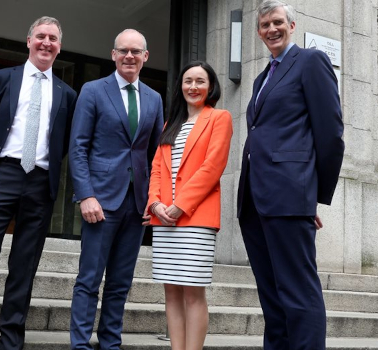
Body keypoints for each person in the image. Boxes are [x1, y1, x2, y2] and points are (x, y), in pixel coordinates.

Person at [0, 16, 77, 350]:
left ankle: (11, 342)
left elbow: (63, 141)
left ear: (59, 47)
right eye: (41, 36)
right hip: (2, 175)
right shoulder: (0, 78)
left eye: (53, 38)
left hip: (40, 182)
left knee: (24, 266)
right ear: (28, 40)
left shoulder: (67, 94)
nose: (46, 43)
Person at [236, 1, 345, 349]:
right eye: (265, 25)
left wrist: (310, 196)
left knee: (299, 294)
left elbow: (330, 134)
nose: (271, 29)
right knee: (272, 295)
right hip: (255, 200)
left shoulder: (311, 61)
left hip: (288, 195)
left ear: (292, 25)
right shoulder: (260, 78)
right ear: (258, 32)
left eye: (278, 22)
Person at [68, 29, 164, 350]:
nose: (129, 56)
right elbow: (78, 147)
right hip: (100, 202)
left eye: (136, 51)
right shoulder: (93, 91)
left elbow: (155, 156)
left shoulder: (154, 98)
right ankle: (80, 345)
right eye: (123, 51)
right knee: (89, 280)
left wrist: (153, 200)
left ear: (145, 57)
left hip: (136, 206)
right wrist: (86, 195)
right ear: (113, 55)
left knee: (120, 283)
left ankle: (110, 344)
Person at [145, 61, 232, 350]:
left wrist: (180, 205)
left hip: (195, 220)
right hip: (164, 221)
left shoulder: (219, 118)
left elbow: (212, 167)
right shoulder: (171, 124)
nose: (193, 87)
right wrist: (155, 203)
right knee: (171, 294)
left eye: (200, 81)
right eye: (187, 81)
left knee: (193, 294)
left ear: (211, 87)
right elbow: (157, 167)